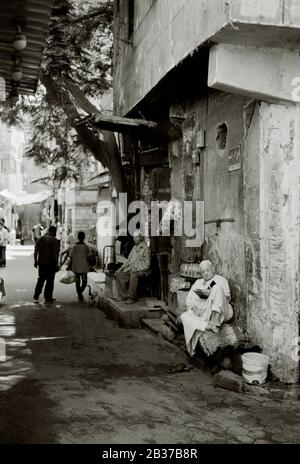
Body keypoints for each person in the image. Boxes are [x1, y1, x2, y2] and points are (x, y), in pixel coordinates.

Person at [180, 260, 233, 357]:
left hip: (221, 312)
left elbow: (227, 298)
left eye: (207, 270)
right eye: (203, 272)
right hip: (204, 312)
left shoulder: (221, 280)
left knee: (216, 288)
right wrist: (194, 308)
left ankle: (215, 323)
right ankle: (207, 326)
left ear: (213, 269)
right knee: (184, 316)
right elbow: (189, 299)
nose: (205, 273)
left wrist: (211, 294)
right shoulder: (198, 282)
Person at [115, 231, 151, 304]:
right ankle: (124, 296)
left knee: (133, 275)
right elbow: (128, 260)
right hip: (131, 269)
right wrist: (121, 268)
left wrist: (137, 269)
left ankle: (132, 297)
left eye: (137, 237)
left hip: (142, 271)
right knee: (119, 274)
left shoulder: (146, 248)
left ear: (141, 237)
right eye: (134, 237)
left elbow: (147, 265)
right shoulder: (134, 248)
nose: (135, 239)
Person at [33, 225, 60, 303]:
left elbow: (35, 251)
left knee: (41, 278)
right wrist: (57, 264)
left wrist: (35, 261)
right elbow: (55, 254)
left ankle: (37, 293)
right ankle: (48, 297)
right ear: (52, 231)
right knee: (50, 281)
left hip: (41, 263)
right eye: (55, 232)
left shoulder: (40, 239)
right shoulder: (54, 240)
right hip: (51, 263)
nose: (55, 234)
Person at [70, 231, 90, 302]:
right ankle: (80, 293)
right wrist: (90, 265)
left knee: (78, 281)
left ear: (78, 237)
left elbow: (71, 257)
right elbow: (88, 257)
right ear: (84, 238)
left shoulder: (74, 246)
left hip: (76, 266)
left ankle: (79, 293)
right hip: (84, 267)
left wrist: (70, 266)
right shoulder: (86, 247)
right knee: (84, 281)